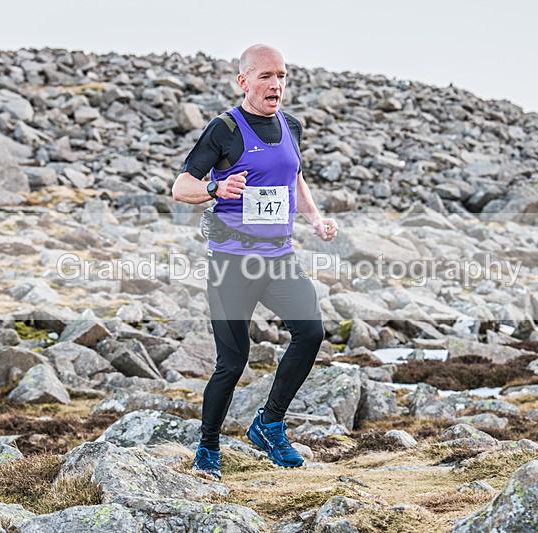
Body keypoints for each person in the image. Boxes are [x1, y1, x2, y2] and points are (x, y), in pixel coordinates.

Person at [172, 43, 338, 480]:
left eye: (281, 76)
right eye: (265, 76)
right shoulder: (224, 128)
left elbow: (295, 179)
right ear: (243, 81)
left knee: (310, 332)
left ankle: (269, 423)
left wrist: (316, 219)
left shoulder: (292, 126)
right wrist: (215, 190)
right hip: (231, 260)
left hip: (279, 256)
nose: (276, 84)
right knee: (233, 360)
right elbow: (180, 186)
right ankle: (207, 448)